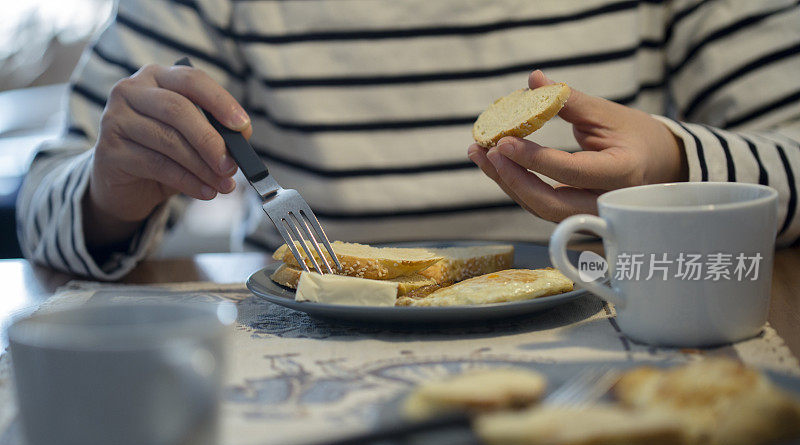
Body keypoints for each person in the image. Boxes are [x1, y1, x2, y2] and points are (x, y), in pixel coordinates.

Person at [17, 0, 800, 280]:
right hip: (307, 355)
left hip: (623, 327)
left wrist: (675, 165)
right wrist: (106, 194)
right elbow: (42, 199)